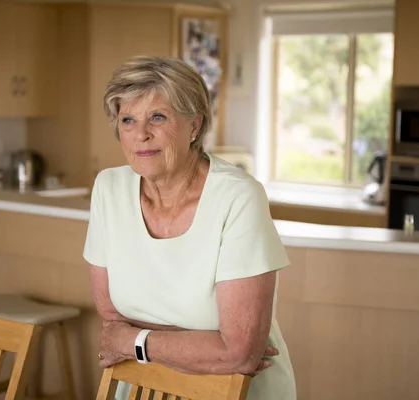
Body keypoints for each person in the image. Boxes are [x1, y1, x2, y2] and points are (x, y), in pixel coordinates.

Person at [83, 55, 296, 399]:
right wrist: (206, 343)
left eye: (157, 117)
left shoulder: (238, 196)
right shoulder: (109, 189)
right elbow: (111, 319)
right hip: (145, 389)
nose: (141, 134)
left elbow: (238, 354)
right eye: (127, 120)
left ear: (194, 126)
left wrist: (132, 340)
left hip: (230, 391)